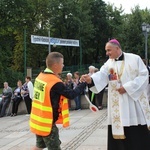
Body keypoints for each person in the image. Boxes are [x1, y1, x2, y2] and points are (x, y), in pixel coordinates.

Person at [81, 39, 150, 150]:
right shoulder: (109, 63)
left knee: (136, 133)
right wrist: (90, 79)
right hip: (118, 103)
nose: (107, 53)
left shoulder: (135, 58)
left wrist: (127, 88)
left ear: (117, 48)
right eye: (106, 51)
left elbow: (144, 76)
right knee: (119, 130)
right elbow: (101, 75)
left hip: (133, 102)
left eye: (109, 50)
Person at [30, 52, 86, 150]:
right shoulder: (54, 82)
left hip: (38, 120)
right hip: (48, 123)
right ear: (56, 65)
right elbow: (71, 94)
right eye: (62, 63)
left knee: (39, 146)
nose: (63, 65)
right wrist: (83, 84)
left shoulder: (41, 76)